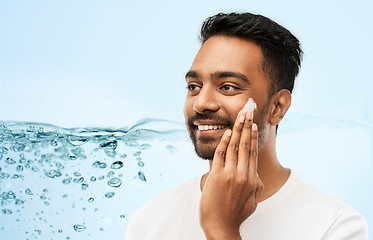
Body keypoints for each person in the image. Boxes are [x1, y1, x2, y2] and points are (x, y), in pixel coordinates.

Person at [125, 12, 369, 240]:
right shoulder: (147, 223)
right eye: (194, 87)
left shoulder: (336, 226)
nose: (201, 103)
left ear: (278, 107)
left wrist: (221, 228)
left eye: (227, 87)